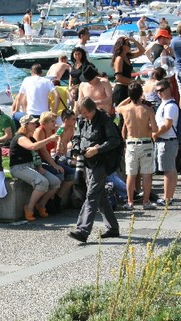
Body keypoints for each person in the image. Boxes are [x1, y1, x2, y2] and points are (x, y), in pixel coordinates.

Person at [68, 97, 121, 243]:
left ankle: (82, 230)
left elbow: (114, 140)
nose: (84, 116)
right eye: (82, 113)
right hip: (88, 162)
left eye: (86, 113)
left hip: (102, 161)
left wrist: (97, 149)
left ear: (92, 109)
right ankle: (113, 228)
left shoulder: (105, 119)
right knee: (100, 195)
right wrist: (76, 148)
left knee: (92, 194)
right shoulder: (82, 119)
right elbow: (77, 137)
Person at [9, 115, 61, 221]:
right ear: (25, 125)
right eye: (32, 123)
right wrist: (49, 139)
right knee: (42, 182)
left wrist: (39, 166)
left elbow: (35, 155)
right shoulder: (20, 137)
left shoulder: (31, 138)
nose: (35, 125)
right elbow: (32, 147)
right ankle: (29, 208)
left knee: (55, 182)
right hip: (19, 167)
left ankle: (41, 205)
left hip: (32, 165)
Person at [116, 81, 158, 210]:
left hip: (131, 143)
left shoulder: (125, 109)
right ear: (141, 94)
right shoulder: (148, 110)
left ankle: (130, 202)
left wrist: (130, 96)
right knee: (146, 174)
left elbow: (117, 106)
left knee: (131, 174)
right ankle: (146, 201)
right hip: (145, 143)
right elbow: (155, 129)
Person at [152, 78, 179, 206]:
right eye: (157, 91)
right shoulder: (165, 104)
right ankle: (169, 197)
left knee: (168, 172)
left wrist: (155, 134)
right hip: (167, 140)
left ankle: (167, 199)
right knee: (171, 171)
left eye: (162, 90)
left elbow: (167, 125)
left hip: (167, 140)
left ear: (169, 89)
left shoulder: (170, 106)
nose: (159, 93)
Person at [111, 36, 145, 107]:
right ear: (122, 46)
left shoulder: (127, 56)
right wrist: (135, 82)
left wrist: (134, 40)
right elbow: (118, 77)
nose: (129, 46)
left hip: (127, 88)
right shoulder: (119, 59)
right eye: (127, 44)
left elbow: (142, 51)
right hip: (121, 89)